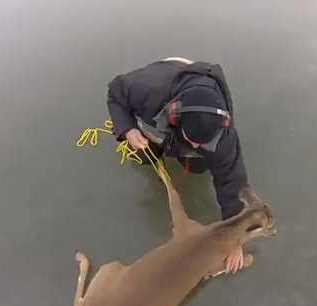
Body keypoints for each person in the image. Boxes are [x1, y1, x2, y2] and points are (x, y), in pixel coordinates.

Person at [106, 57, 249, 273]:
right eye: (193, 140)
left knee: (197, 165)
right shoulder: (146, 90)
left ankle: (183, 152)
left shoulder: (223, 137)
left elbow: (232, 183)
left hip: (185, 121)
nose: (197, 145)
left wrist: (234, 240)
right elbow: (115, 94)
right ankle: (159, 146)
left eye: (204, 143)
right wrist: (128, 129)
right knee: (145, 155)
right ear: (176, 119)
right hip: (164, 94)